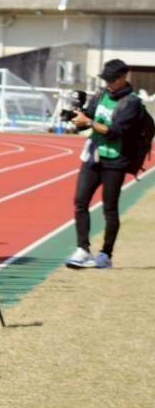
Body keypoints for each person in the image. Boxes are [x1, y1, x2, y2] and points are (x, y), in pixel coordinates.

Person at [66, 59, 146, 269]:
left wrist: (89, 122)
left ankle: (106, 254)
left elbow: (115, 132)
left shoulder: (131, 102)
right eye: (105, 79)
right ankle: (82, 249)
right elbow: (89, 117)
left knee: (109, 208)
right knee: (80, 201)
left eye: (111, 79)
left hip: (116, 160)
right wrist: (75, 117)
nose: (107, 83)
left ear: (122, 78)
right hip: (93, 156)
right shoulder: (101, 95)